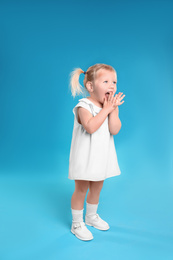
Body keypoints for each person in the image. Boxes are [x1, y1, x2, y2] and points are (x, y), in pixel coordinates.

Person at [68, 63, 125, 241]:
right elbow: (91, 127)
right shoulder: (84, 106)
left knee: (97, 188)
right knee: (81, 189)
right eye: (106, 81)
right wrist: (106, 110)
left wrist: (113, 110)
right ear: (91, 86)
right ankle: (77, 223)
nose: (111, 86)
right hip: (85, 157)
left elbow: (114, 129)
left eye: (114, 82)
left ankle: (91, 217)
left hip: (101, 156)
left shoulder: (109, 106)